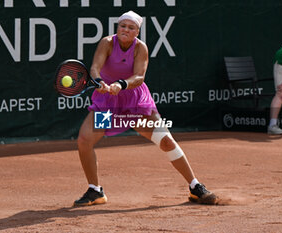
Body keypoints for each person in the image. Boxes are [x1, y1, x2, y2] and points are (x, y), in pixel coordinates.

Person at [73, 11, 218, 206]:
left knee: (165, 140)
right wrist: (99, 81)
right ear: (118, 27)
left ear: (137, 31)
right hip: (108, 103)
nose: (126, 30)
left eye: (131, 27)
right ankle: (95, 190)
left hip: (135, 103)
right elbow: (94, 68)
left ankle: (195, 187)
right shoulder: (107, 42)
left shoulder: (140, 48)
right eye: (123, 26)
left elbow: (139, 77)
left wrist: (121, 85)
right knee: (84, 140)